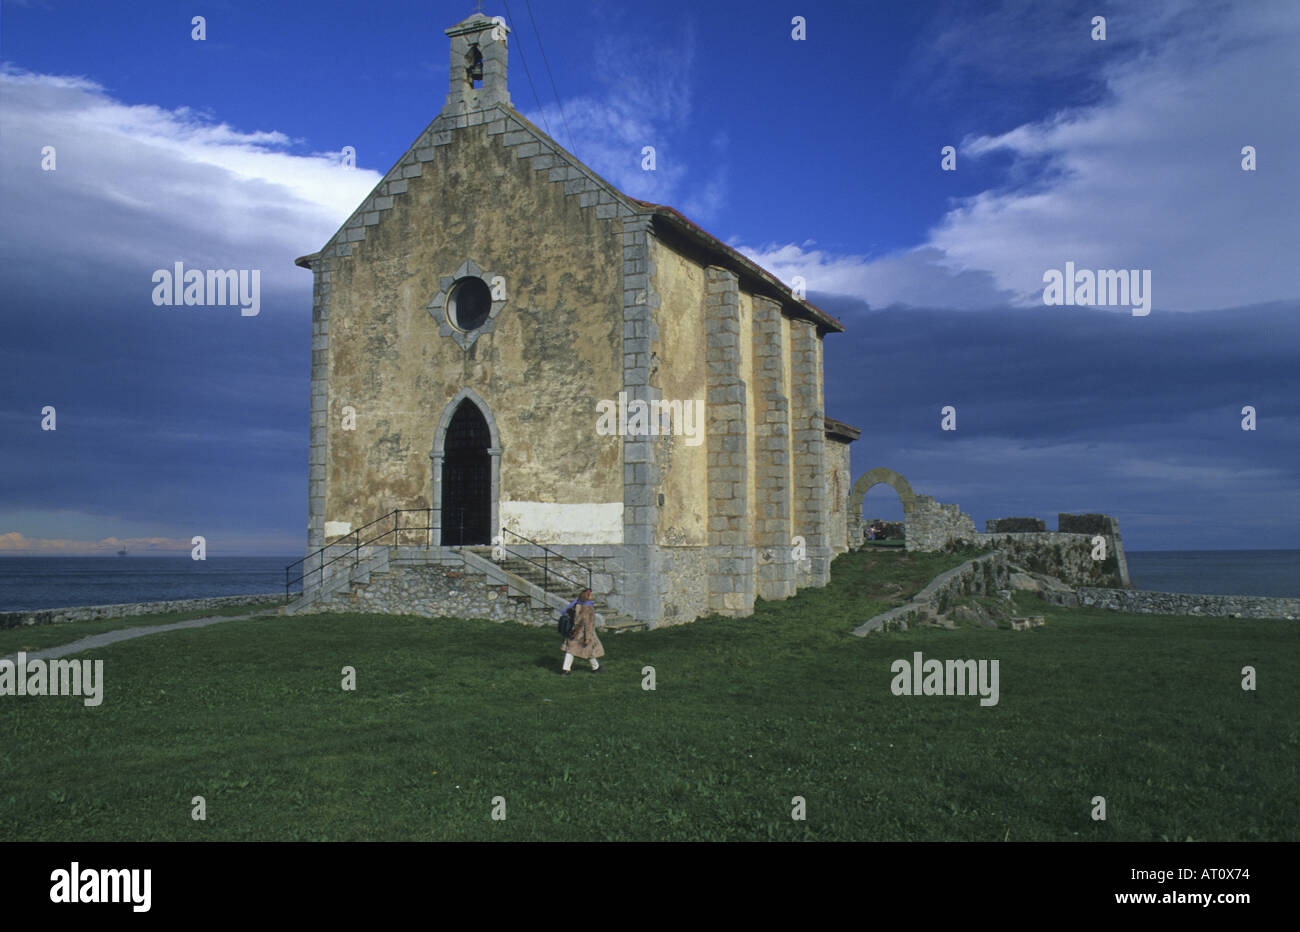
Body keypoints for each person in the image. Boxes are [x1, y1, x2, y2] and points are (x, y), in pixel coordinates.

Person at [560, 588, 604, 675]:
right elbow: (588, 624)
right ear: (587, 597)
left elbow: (565, 612)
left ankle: (565, 669)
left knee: (570, 650)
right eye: (590, 595)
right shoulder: (588, 608)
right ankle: (596, 667)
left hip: (573, 631)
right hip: (583, 633)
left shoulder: (576, 604)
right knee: (589, 651)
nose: (592, 596)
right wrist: (587, 637)